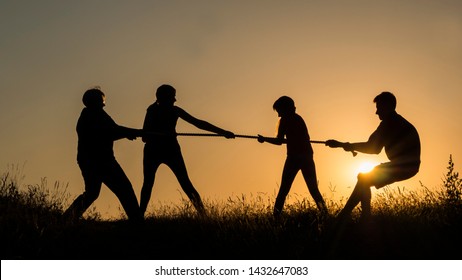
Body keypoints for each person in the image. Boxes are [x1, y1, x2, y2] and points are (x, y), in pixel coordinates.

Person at [140, 84, 235, 217]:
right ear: (164, 97)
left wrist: (222, 132)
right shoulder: (152, 111)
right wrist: (158, 134)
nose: (175, 100)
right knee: (149, 183)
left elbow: (198, 123)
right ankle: (139, 217)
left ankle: (203, 215)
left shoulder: (173, 111)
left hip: (169, 149)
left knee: (184, 183)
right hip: (156, 150)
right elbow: (144, 136)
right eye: (172, 96)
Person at [326, 91, 421, 221]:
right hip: (407, 165)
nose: (376, 112)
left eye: (379, 108)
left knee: (364, 179)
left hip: (403, 165)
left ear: (387, 106)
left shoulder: (389, 123)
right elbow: (373, 147)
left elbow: (373, 148)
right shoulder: (395, 121)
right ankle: (360, 217)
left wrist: (343, 145)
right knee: (364, 179)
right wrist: (345, 145)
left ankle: (350, 216)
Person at [64, 87, 144, 222]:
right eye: (101, 101)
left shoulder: (99, 114)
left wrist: (129, 133)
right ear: (93, 102)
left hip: (92, 160)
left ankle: (67, 218)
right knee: (124, 188)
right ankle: (137, 221)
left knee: (92, 193)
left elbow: (114, 129)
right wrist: (131, 132)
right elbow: (109, 133)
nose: (103, 104)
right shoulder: (90, 117)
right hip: (100, 161)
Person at [258, 96, 327, 217]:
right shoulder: (299, 118)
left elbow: (279, 141)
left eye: (279, 110)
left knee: (283, 190)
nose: (278, 115)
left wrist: (264, 140)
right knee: (313, 189)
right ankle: (325, 214)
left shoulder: (285, 120)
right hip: (307, 156)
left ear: (284, 109)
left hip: (294, 158)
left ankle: (275, 217)